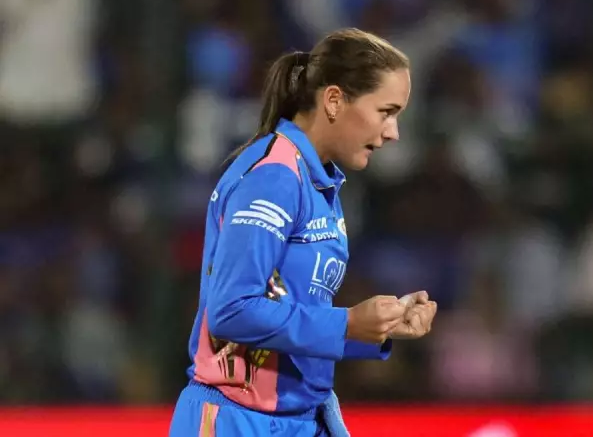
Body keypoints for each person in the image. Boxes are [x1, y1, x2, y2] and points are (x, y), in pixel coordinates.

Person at [168, 28, 438, 437]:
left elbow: (291, 313)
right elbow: (231, 311)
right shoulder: (274, 178)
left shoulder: (318, 181)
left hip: (298, 418)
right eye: (386, 111)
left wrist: (377, 328)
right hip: (239, 421)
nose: (393, 132)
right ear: (334, 101)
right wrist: (347, 323)